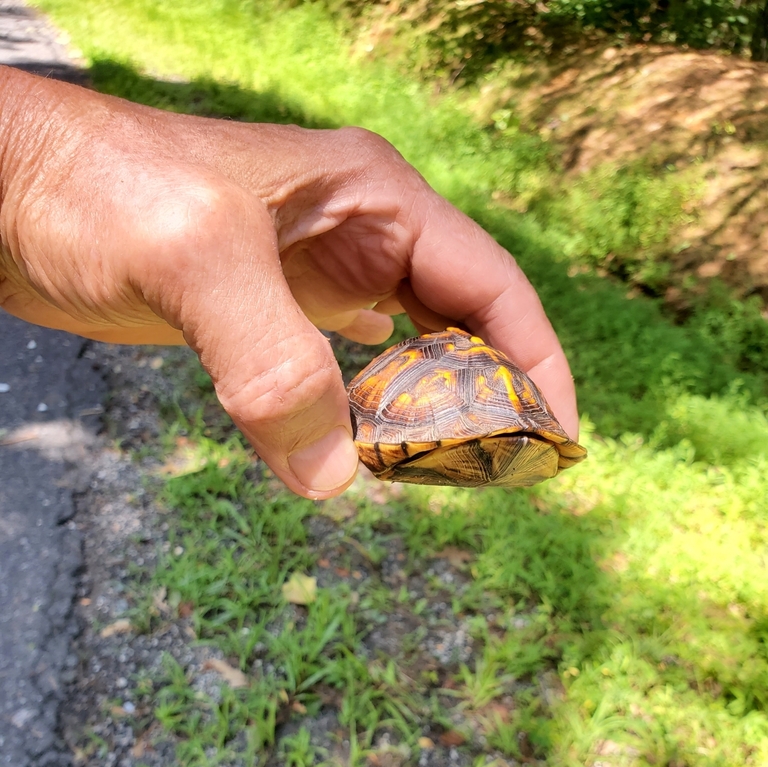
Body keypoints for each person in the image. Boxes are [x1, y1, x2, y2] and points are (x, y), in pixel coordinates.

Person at [0, 65, 578, 498]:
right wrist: (31, 160)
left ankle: (515, 435)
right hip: (422, 422)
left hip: (496, 422)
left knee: (520, 439)